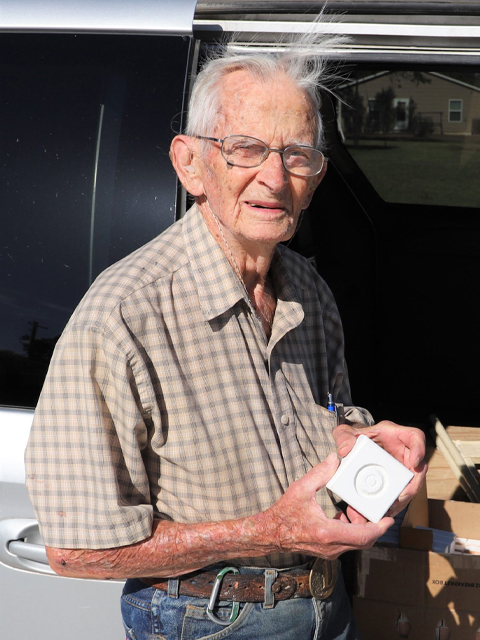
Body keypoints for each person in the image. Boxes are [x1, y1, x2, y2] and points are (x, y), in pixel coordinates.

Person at [25, 24, 426, 640]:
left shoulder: (309, 291)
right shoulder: (124, 315)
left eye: (297, 155)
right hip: (209, 620)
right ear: (191, 163)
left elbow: (314, 423)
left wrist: (360, 443)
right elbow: (76, 552)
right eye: (245, 148)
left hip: (328, 607)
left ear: (317, 176)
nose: (274, 178)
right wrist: (269, 531)